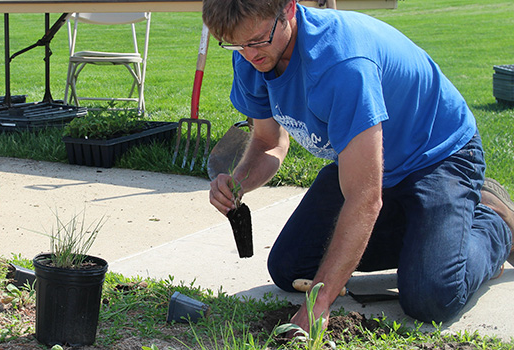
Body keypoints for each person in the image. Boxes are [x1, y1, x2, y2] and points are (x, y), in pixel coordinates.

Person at [204, 0, 513, 333]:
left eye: (257, 40)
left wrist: (319, 304)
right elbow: (268, 142)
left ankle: (493, 223)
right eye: (236, 44)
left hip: (438, 156)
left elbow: (364, 197)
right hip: (368, 161)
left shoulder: (341, 63)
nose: (249, 54)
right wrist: (238, 182)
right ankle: (431, 240)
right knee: (290, 268)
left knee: (430, 296)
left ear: (289, 10)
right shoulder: (253, 57)